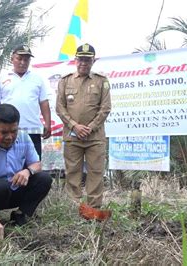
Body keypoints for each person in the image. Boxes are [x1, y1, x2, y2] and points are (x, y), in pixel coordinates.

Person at [0, 104, 52, 240]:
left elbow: (37, 164)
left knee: (44, 178)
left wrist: (27, 171)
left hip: (16, 189)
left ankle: (21, 214)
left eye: (13, 131)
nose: (9, 137)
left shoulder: (24, 138)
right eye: (4, 132)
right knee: (0, 186)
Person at [55, 43, 112, 221]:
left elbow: (105, 108)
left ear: (93, 61)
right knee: (73, 172)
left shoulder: (102, 81)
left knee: (95, 173)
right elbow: (59, 108)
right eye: (81, 59)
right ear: (75, 60)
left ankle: (93, 211)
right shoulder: (65, 81)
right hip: (73, 136)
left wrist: (91, 127)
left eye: (88, 60)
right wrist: (74, 126)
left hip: (95, 137)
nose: (84, 63)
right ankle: (74, 209)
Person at [0, 45, 51, 159]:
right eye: (19, 58)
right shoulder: (1, 78)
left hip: (33, 130)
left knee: (34, 165)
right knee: (8, 165)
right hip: (8, 130)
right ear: (12, 59)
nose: (22, 62)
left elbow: (44, 102)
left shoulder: (37, 79)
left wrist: (47, 123)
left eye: (26, 59)